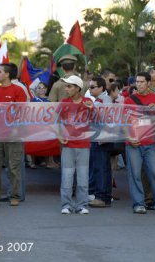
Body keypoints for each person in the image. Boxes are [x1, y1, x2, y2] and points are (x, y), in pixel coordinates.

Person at [123, 72, 155, 215]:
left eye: (142, 82)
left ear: (149, 83)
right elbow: (124, 122)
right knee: (135, 174)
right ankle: (138, 203)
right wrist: (129, 137)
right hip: (134, 142)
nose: (139, 84)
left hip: (150, 142)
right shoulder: (129, 100)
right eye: (137, 82)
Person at [0, 63, 27, 206]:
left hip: (14, 134)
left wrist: (17, 130)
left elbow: (22, 112)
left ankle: (14, 195)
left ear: (7, 74)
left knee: (14, 166)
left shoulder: (18, 90)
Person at [59, 75, 93, 214]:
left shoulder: (88, 102)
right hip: (68, 146)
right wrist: (59, 135)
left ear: (78, 88)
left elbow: (97, 119)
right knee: (67, 176)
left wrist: (92, 109)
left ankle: (82, 205)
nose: (67, 89)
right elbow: (56, 121)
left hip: (84, 145)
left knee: (83, 177)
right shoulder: (64, 103)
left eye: (69, 86)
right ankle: (66, 204)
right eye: (66, 86)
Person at [88, 76, 113, 207]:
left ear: (101, 88)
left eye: (92, 87)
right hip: (99, 137)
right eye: (89, 87)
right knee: (102, 167)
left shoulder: (104, 100)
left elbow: (108, 120)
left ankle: (102, 197)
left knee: (101, 167)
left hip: (101, 138)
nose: (90, 89)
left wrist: (105, 135)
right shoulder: (101, 100)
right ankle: (104, 196)